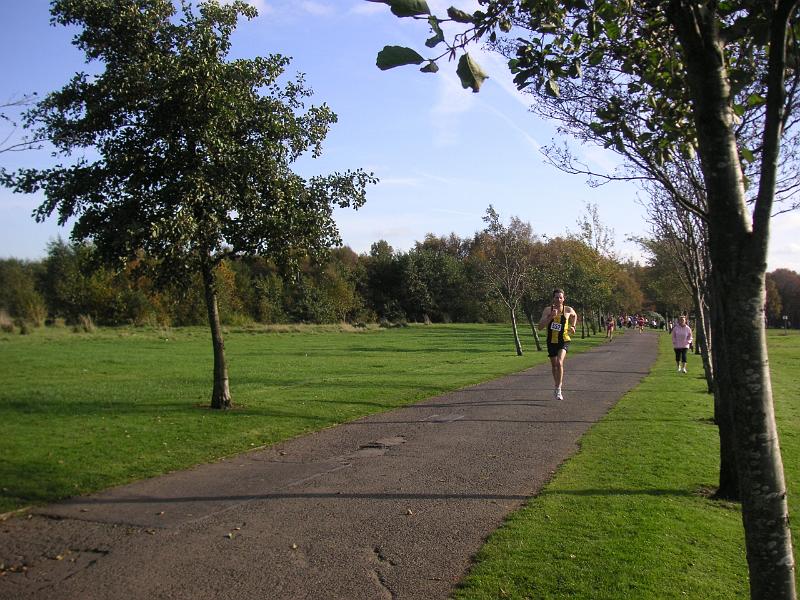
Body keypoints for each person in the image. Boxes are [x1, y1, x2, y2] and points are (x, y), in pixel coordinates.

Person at [538, 289, 578, 400]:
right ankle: (556, 386)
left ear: (563, 298)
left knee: (559, 363)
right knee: (554, 366)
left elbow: (574, 316)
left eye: (560, 297)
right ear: (553, 298)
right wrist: (550, 316)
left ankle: (559, 388)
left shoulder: (568, 309)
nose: (558, 299)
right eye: (556, 297)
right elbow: (540, 327)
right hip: (551, 341)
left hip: (564, 340)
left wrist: (573, 326)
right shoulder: (547, 310)